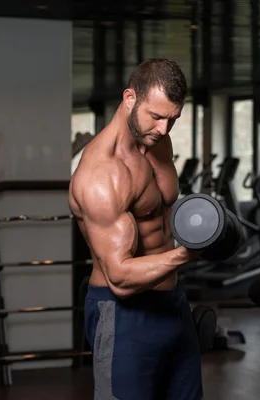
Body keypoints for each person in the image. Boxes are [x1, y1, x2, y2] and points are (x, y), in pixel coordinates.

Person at [68, 59, 203, 400]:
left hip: (173, 303)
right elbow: (120, 277)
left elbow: (166, 215)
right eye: (155, 116)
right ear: (130, 98)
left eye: (172, 118)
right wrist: (188, 254)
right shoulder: (102, 173)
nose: (163, 128)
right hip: (125, 315)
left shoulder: (160, 143)